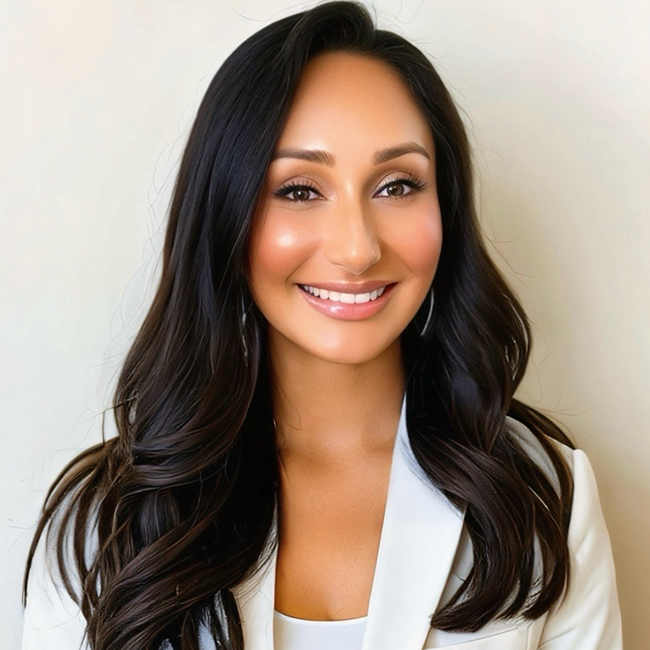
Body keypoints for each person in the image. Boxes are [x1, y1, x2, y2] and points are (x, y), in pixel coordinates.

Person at [21, 2, 623, 649]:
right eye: (300, 190)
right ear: (228, 215)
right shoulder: (108, 523)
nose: (356, 249)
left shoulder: (540, 499)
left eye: (396, 185)